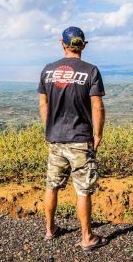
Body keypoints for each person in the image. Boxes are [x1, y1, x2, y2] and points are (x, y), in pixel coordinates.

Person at [37, 26, 107, 251]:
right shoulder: (91, 71)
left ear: (62, 43)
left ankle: (50, 230)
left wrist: (50, 130)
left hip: (55, 139)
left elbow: (43, 104)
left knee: (52, 185)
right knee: (83, 189)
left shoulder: (47, 70)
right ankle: (87, 238)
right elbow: (97, 106)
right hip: (80, 139)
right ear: (83, 45)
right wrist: (98, 134)